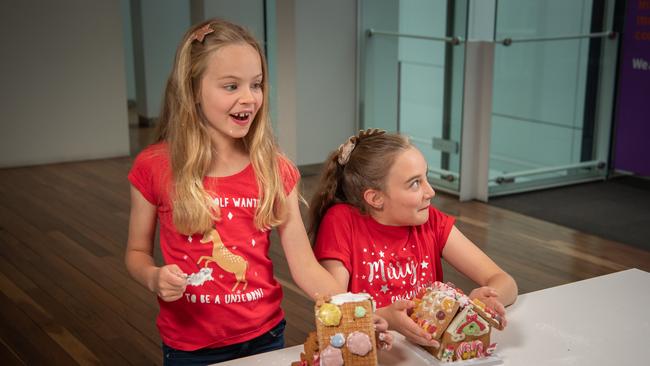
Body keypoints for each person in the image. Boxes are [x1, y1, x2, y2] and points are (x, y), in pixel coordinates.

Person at [125, 19, 367, 365]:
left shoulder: (275, 169)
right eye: (230, 86)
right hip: (190, 349)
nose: (249, 98)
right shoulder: (154, 167)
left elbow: (304, 266)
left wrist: (358, 311)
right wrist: (153, 277)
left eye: (257, 85)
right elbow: (136, 251)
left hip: (266, 338)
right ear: (193, 89)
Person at [309, 129, 518, 348]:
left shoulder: (430, 221)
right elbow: (333, 313)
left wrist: (488, 301)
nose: (431, 192)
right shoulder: (341, 222)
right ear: (375, 198)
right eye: (415, 183)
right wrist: (387, 318)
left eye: (426, 178)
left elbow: (503, 280)